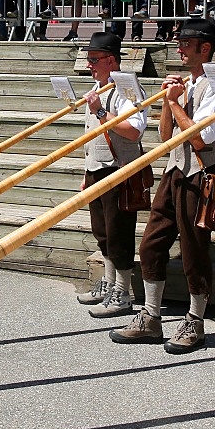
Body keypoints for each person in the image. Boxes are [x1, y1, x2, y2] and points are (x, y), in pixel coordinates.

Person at [109, 19, 215, 353]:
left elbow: (199, 138)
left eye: (184, 43)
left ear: (204, 48)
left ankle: (195, 320)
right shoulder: (189, 83)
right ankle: (151, 316)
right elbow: (167, 136)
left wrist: (176, 103)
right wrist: (168, 101)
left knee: (195, 250)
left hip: (202, 173)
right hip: (175, 169)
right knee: (151, 243)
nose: (178, 48)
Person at [76, 32, 148, 318]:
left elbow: (134, 130)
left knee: (119, 233)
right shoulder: (99, 85)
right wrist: (86, 170)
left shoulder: (127, 88)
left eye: (94, 59)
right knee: (102, 231)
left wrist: (102, 111)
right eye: (88, 59)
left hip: (119, 170)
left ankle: (123, 291)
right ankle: (108, 283)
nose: (89, 64)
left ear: (110, 60)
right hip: (97, 167)